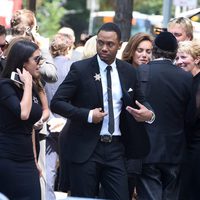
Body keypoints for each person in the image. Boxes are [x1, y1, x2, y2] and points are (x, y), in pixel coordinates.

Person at [50, 22, 154, 200]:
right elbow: (57, 103)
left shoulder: (128, 71)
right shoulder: (80, 69)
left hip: (116, 148)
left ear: (119, 45)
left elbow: (141, 100)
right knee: (84, 197)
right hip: (86, 147)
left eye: (110, 44)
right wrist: (88, 115)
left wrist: (149, 114)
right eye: (100, 43)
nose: (104, 48)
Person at [135, 32, 193, 200]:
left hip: (148, 148)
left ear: (154, 50)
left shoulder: (142, 72)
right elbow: (189, 116)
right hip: (175, 149)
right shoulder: (186, 77)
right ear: (175, 52)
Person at [0, 38, 49, 200]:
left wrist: (35, 160)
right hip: (7, 158)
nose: (40, 63)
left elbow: (30, 128)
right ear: (23, 63)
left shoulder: (31, 87)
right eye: (36, 59)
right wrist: (28, 85)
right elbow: (24, 114)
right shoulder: (5, 86)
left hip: (27, 158)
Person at [121, 32, 153, 199]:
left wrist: (149, 115)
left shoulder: (152, 75)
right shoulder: (120, 72)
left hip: (140, 147)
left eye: (148, 51)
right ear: (131, 51)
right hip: (119, 143)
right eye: (140, 50)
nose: (144, 55)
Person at [45, 33, 73, 200]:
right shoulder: (73, 66)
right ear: (68, 48)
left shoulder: (44, 67)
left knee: (49, 168)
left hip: (48, 121)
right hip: (68, 122)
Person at [175, 40, 200, 200]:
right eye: (176, 58)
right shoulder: (189, 81)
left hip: (196, 147)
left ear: (197, 59)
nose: (179, 62)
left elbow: (192, 117)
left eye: (183, 57)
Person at [10, 9, 57, 83]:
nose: (37, 32)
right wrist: (44, 48)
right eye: (36, 28)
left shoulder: (5, 46)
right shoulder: (28, 51)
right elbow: (51, 76)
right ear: (28, 30)